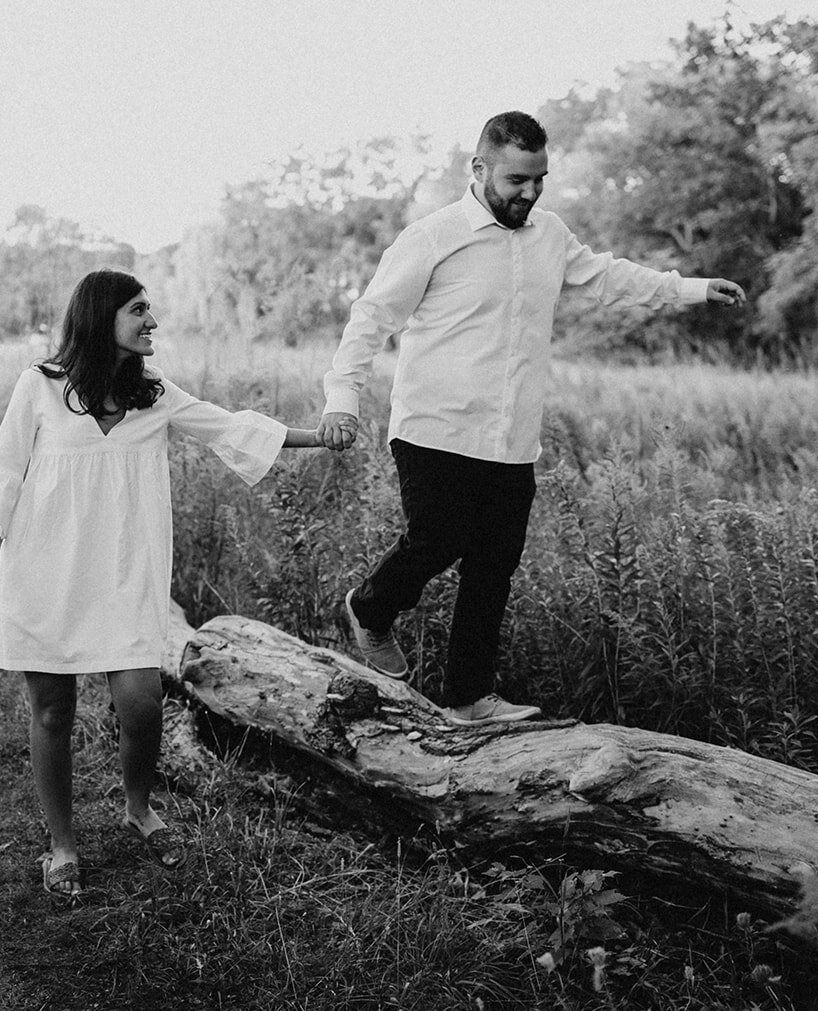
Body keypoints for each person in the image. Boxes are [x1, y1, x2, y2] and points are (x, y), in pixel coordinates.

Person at [317, 110, 746, 728]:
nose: (531, 192)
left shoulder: (549, 235)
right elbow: (370, 319)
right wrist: (342, 398)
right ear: (480, 168)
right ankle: (370, 606)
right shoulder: (433, 237)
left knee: (494, 565)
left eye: (540, 179)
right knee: (439, 538)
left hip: (511, 437)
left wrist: (692, 288)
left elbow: (607, 277)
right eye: (518, 179)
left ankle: (468, 700)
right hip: (435, 426)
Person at [0, 268, 324, 900]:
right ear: (102, 318)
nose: (153, 322)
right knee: (53, 710)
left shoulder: (155, 394)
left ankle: (138, 807)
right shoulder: (38, 387)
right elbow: (3, 471)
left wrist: (319, 439)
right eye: (139, 311)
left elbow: (227, 428)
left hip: (124, 571)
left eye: (150, 311)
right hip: (48, 570)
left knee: (141, 700)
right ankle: (62, 845)